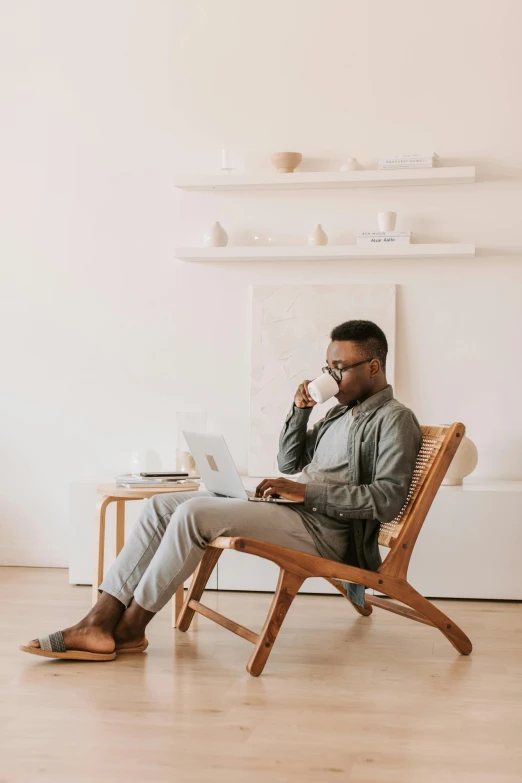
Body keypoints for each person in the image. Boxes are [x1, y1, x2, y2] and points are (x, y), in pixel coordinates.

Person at [21, 319, 421, 661]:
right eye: (327, 368)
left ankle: (130, 628)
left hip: (329, 531)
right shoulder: (338, 412)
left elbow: (386, 500)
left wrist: (304, 494)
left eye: (340, 369)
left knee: (195, 515)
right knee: (163, 506)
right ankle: (98, 620)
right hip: (297, 512)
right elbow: (289, 463)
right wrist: (300, 412)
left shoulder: (394, 419)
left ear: (373, 366)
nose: (331, 378)